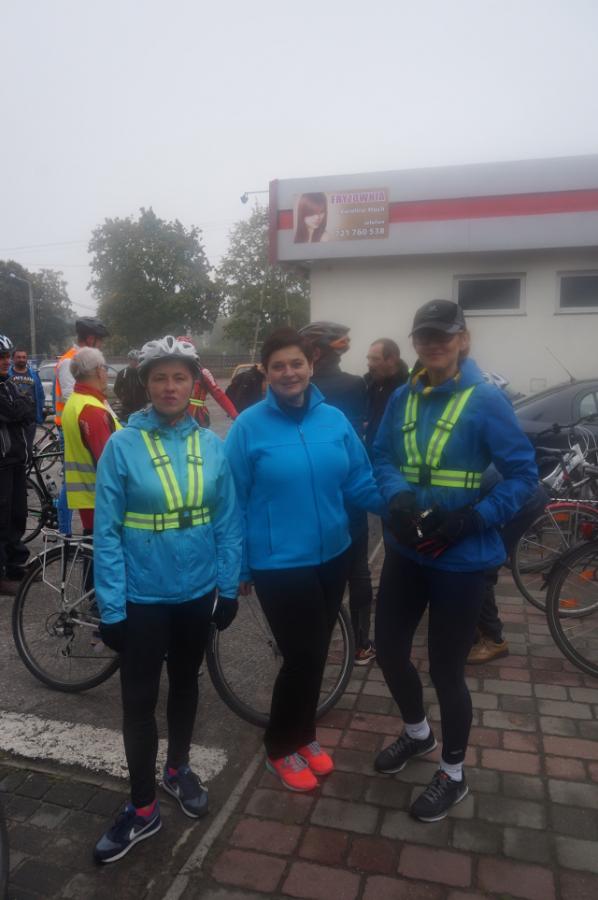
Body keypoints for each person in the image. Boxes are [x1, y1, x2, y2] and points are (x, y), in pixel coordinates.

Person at [372, 299, 537, 822]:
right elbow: (382, 455)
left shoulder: (486, 399)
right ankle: (418, 733)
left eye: (443, 335)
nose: (433, 344)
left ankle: (453, 772)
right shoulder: (402, 396)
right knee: (389, 650)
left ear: (463, 339)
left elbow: (523, 477)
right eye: (424, 336)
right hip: (407, 550)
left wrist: (473, 518)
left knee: (446, 672)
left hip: (461, 558)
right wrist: (397, 497)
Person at [92, 335, 242, 864]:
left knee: (184, 685)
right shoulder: (122, 446)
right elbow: (107, 533)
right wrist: (112, 608)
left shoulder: (212, 446)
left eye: (180, 377)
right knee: (138, 701)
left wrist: (228, 587)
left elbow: (227, 522)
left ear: (194, 383)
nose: (170, 386)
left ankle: (178, 769)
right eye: (160, 378)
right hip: (142, 598)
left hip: (196, 595)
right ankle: (142, 807)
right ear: (146, 385)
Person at [225, 327, 384, 792]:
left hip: (334, 555)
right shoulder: (248, 427)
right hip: (279, 563)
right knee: (302, 656)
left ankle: (305, 734)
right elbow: (232, 500)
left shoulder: (333, 420)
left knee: (317, 653)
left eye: (296, 363)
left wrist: (395, 505)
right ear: (266, 372)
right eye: (278, 366)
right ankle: (279, 746)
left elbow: (358, 480)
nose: (289, 372)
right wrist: (239, 565)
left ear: (311, 366)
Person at [299, 321, 375, 665]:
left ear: (314, 353)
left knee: (311, 567)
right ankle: (360, 644)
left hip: (310, 490)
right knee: (358, 571)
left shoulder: (300, 385)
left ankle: (312, 638)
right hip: (349, 487)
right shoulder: (355, 384)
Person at [55, 317, 110, 535]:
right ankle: (65, 533)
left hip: (81, 421)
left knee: (77, 483)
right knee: (73, 483)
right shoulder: (70, 361)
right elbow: (71, 394)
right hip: (76, 426)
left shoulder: (83, 360)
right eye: (100, 341)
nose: (102, 345)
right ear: (90, 339)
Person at [61, 348, 121, 534]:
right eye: (105, 368)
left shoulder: (76, 401)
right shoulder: (91, 409)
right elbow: (110, 462)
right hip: (103, 501)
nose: (106, 373)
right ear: (97, 370)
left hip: (89, 499)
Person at [0, 335, 34, 595]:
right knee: (1, 518)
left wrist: (18, 408)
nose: (5, 361)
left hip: (15, 459)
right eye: (1, 357)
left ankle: (14, 565)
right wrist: (18, 408)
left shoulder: (8, 384)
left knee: (17, 515)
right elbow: (13, 412)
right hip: (2, 462)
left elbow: (27, 409)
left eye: (6, 356)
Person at [176, 337, 238, 428]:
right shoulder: (170, 374)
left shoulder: (203, 373)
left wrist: (236, 416)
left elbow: (219, 395)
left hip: (197, 419)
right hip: (174, 419)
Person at [364, 338, 410, 455]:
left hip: (393, 457)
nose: (369, 364)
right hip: (371, 454)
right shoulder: (370, 383)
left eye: (375, 359)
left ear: (392, 360)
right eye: (368, 358)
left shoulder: (408, 388)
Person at [8, 347, 46, 456]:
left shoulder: (34, 374)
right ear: (13, 359)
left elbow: (40, 395)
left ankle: (26, 465)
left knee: (27, 448)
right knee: (13, 449)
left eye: (24, 357)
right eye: (18, 357)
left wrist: (40, 413)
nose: (21, 359)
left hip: (30, 420)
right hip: (12, 419)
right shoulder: (7, 374)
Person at [113, 350, 147, 421]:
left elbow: (147, 387)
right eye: (134, 360)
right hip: (127, 406)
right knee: (126, 423)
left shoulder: (143, 373)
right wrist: (123, 398)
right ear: (129, 360)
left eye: (138, 360)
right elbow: (116, 388)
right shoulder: (122, 373)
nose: (137, 362)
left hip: (141, 406)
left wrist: (146, 400)